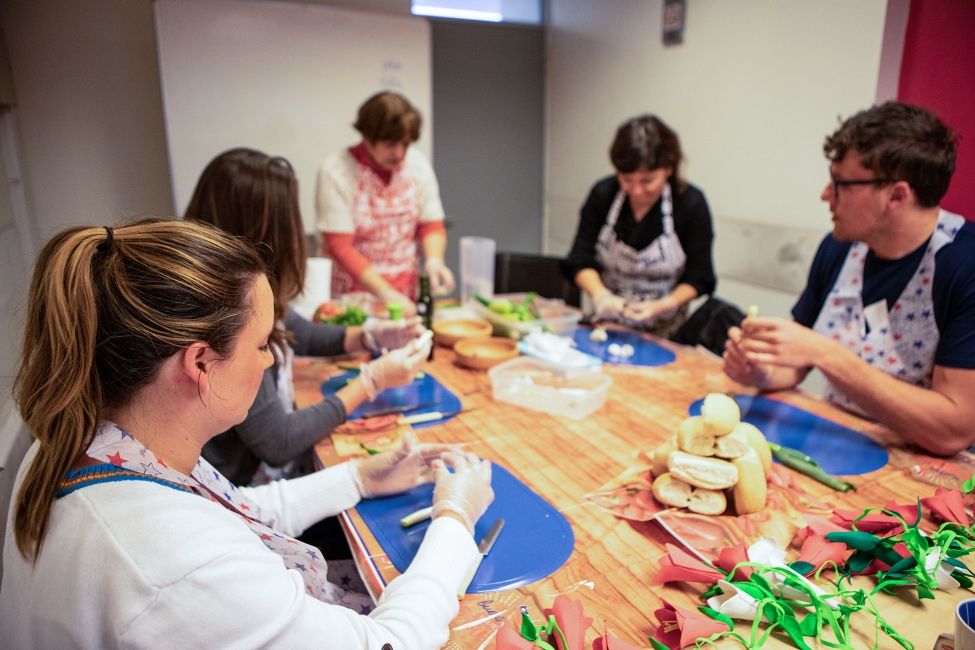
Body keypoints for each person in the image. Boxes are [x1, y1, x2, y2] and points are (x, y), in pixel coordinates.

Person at [1, 218, 494, 647]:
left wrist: (360, 478)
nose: (268, 360)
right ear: (199, 363)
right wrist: (455, 519)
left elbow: (245, 513)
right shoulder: (175, 564)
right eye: (261, 344)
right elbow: (387, 643)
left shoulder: (91, 436)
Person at [724, 101, 975, 456]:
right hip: (839, 440)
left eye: (840, 184)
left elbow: (952, 431)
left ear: (897, 195)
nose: (826, 196)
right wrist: (758, 371)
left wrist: (826, 354)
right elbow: (792, 370)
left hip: (926, 474)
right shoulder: (839, 247)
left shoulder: (963, 266)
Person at [186, 147, 427, 487]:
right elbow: (278, 441)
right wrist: (369, 383)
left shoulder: (245, 285)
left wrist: (371, 334)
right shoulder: (224, 310)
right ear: (268, 230)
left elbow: (299, 332)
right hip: (247, 492)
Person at [562, 114, 716, 337]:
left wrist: (662, 306)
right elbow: (579, 259)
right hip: (606, 325)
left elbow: (700, 276)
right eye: (627, 179)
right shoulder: (604, 195)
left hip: (667, 333)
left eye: (647, 181)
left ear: (669, 169)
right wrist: (601, 296)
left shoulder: (690, 204)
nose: (636, 190)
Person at [317, 91, 455, 316]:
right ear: (368, 136)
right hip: (355, 297)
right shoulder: (337, 171)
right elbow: (340, 245)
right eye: (390, 144)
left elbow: (430, 224)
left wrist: (435, 262)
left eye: (405, 143)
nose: (399, 153)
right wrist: (386, 293)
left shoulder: (417, 165)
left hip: (407, 292)